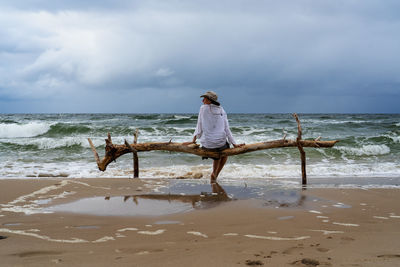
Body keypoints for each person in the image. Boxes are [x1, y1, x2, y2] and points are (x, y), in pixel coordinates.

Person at [185, 91, 244, 183]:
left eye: (204, 98)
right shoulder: (222, 110)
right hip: (220, 142)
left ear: (209, 100)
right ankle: (215, 173)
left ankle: (214, 173)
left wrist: (193, 140)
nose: (202, 100)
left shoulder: (203, 108)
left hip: (208, 143)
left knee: (217, 151)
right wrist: (234, 144)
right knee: (224, 152)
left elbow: (199, 125)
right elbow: (227, 129)